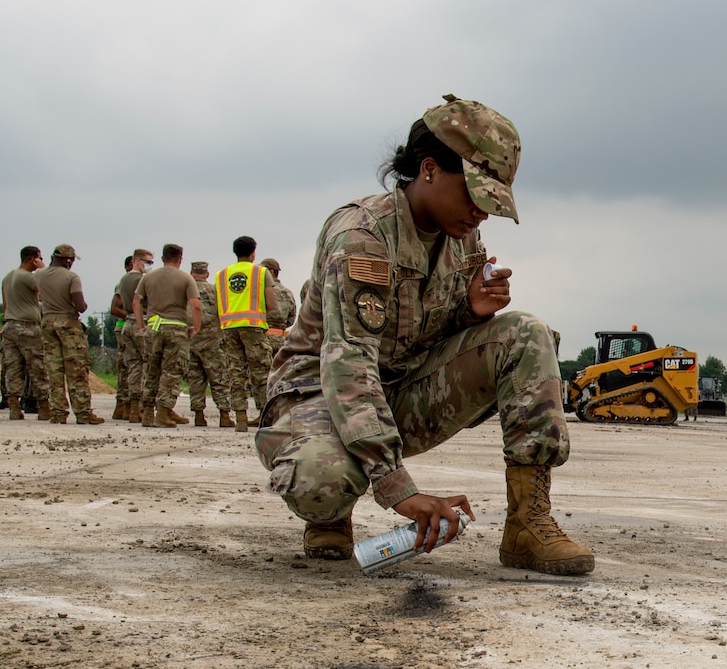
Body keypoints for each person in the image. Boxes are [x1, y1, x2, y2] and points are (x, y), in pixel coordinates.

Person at [258, 95, 592, 574]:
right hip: (322, 399)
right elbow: (348, 364)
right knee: (321, 482)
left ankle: (527, 523)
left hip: (401, 390)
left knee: (526, 334)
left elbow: (415, 334)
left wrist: (467, 313)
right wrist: (401, 491)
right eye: (475, 194)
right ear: (429, 169)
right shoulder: (363, 236)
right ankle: (334, 511)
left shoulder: (462, 235)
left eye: (491, 201)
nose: (482, 213)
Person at [133, 244, 200, 427]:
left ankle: (147, 412)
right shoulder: (186, 278)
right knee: (171, 373)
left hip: (153, 327)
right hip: (176, 329)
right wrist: (196, 327)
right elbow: (195, 305)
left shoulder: (148, 277)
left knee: (151, 370)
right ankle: (162, 413)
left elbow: (136, 303)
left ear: (163, 258)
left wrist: (141, 326)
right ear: (180, 258)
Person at [35, 242, 102, 424]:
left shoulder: (39, 275)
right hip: (67, 323)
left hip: (47, 322)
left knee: (54, 370)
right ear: (68, 260)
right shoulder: (72, 277)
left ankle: (58, 412)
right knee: (77, 369)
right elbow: (80, 305)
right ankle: (82, 412)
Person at [215, 236, 274, 427]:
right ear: (253, 252)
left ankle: (240, 417)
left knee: (235, 372)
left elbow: (219, 304)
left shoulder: (221, 275)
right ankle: (265, 415)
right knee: (260, 372)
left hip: (229, 327)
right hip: (253, 326)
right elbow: (271, 304)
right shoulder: (261, 273)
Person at [0, 246, 49, 420]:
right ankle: (44, 407)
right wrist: (44, 268)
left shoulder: (8, 277)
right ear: (33, 259)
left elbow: (5, 305)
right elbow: (45, 285)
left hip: (9, 325)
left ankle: (14, 407)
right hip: (28, 327)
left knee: (13, 368)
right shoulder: (29, 277)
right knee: (38, 367)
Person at [109, 249, 154, 421]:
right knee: (148, 367)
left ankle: (133, 408)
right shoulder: (142, 280)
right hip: (141, 322)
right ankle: (142, 407)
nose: (150, 266)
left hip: (127, 324)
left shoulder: (124, 279)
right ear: (137, 261)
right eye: (148, 262)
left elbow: (116, 305)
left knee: (133, 367)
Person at [182, 261, 227, 427]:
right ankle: (224, 414)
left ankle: (198, 414)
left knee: (195, 379)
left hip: (190, 338)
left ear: (191, 273)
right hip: (212, 340)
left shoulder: (185, 289)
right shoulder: (215, 290)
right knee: (219, 377)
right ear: (207, 274)